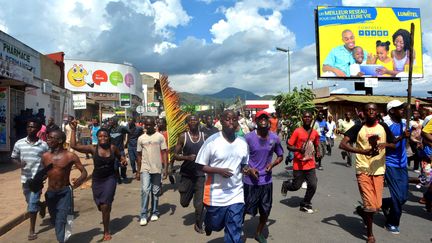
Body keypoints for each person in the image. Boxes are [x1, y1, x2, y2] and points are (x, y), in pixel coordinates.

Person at [339, 103, 396, 243]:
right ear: (363, 113)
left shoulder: (383, 127)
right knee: (370, 206)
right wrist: (362, 151)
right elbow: (343, 144)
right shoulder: (359, 127)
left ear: (377, 112)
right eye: (368, 110)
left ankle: (361, 210)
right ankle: (370, 234)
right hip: (363, 169)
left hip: (379, 170)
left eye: (373, 110)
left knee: (376, 206)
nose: (371, 111)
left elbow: (394, 144)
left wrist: (385, 145)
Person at [195, 110, 250, 243]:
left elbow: (243, 164)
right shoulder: (212, 141)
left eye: (234, 119)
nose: (231, 122)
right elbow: (199, 166)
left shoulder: (242, 142)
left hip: (236, 193)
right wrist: (219, 171)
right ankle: (208, 222)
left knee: (234, 227)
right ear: (220, 120)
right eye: (227, 119)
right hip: (215, 194)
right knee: (216, 224)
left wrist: (248, 170)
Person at [70, 122, 126, 241]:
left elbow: (119, 156)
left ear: (109, 137)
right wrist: (73, 130)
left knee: (105, 205)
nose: (103, 138)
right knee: (101, 206)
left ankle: (106, 231)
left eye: (105, 136)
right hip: (97, 180)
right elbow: (74, 146)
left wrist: (123, 160)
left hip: (110, 178)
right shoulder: (92, 148)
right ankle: (105, 207)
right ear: (97, 137)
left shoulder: (112, 148)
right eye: (100, 136)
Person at [243, 110, 283, 243]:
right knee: (244, 209)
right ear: (256, 121)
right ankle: (237, 231)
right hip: (250, 181)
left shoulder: (274, 138)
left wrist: (272, 165)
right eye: (261, 118)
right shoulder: (248, 137)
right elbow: (240, 158)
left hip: (266, 181)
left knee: (266, 210)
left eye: (266, 118)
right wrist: (249, 169)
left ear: (269, 120)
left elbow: (280, 155)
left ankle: (258, 233)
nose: (264, 120)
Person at [42, 130, 87, 243]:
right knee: (54, 219)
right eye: (48, 137)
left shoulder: (70, 156)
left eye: (51, 138)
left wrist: (79, 180)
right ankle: (64, 236)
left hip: (64, 192)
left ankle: (62, 240)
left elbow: (84, 172)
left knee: (61, 219)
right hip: (50, 193)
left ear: (60, 140)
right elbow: (44, 174)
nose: (48, 140)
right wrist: (36, 182)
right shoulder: (45, 156)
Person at [11, 118, 49, 241]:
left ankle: (31, 231)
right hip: (25, 179)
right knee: (30, 202)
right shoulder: (19, 143)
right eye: (28, 127)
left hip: (37, 179)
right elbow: (13, 157)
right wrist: (18, 163)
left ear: (38, 130)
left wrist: (45, 174)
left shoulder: (43, 145)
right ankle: (42, 205)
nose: (30, 129)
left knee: (32, 206)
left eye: (33, 127)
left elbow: (48, 161)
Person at [281, 111, 320, 214]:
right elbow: (289, 145)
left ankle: (305, 203)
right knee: (296, 186)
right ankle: (286, 185)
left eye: (309, 117)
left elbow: (316, 144)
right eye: (305, 117)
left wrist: (318, 153)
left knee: (313, 185)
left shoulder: (314, 133)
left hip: (310, 163)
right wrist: (298, 150)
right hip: (298, 164)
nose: (307, 119)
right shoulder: (297, 131)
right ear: (302, 119)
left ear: (312, 119)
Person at [173, 115, 206, 233]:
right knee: (184, 202)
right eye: (191, 120)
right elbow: (175, 155)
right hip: (186, 174)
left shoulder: (204, 136)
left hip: (200, 174)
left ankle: (198, 223)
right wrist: (186, 157)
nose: (193, 121)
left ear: (198, 121)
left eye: (195, 119)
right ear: (187, 123)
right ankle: (189, 194)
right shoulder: (183, 137)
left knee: (199, 202)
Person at [381, 100, 410, 234]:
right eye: (399, 108)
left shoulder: (404, 124)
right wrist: (400, 137)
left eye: (403, 108)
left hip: (402, 163)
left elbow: (409, 139)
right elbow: (384, 144)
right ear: (392, 111)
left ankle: (382, 203)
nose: (403, 110)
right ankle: (392, 222)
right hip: (390, 163)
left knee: (403, 197)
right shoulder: (386, 125)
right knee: (398, 196)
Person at [136, 117, 168, 226]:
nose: (148, 127)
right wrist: (138, 170)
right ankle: (143, 215)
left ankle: (155, 211)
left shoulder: (160, 137)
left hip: (157, 168)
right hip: (145, 167)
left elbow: (164, 152)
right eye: (146, 125)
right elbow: (139, 155)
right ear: (144, 125)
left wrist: (165, 169)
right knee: (145, 190)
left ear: (154, 125)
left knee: (155, 191)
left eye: (150, 125)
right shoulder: (141, 138)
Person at [108, 117, 130, 183]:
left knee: (123, 165)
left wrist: (128, 141)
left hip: (120, 150)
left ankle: (123, 175)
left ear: (115, 121)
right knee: (115, 167)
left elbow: (129, 131)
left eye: (111, 121)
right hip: (112, 152)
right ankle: (118, 178)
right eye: (109, 121)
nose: (110, 122)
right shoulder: (109, 129)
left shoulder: (121, 128)